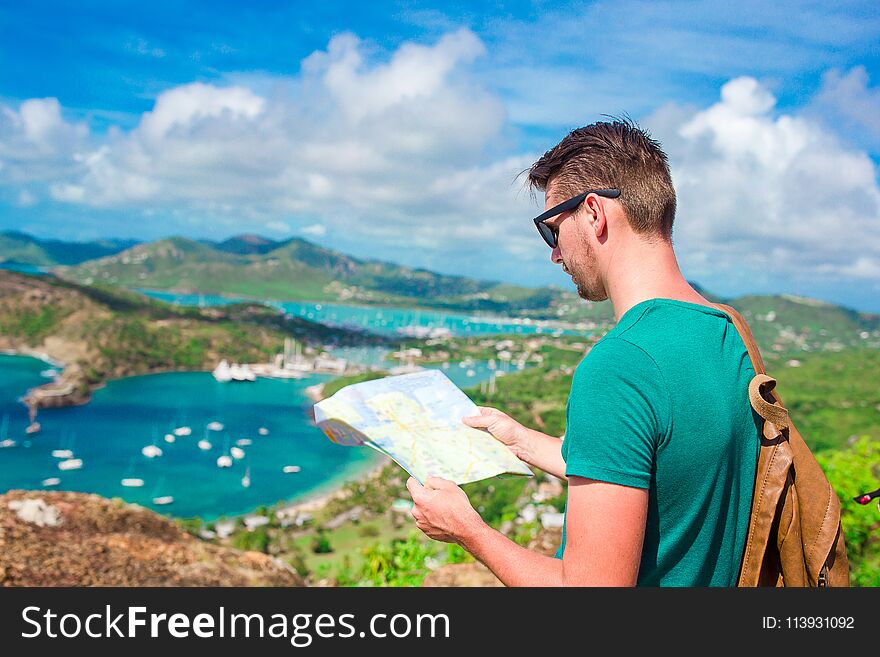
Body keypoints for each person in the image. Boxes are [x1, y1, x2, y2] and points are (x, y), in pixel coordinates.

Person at [407, 119, 761, 586]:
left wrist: (467, 530)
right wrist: (520, 441)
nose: (555, 255)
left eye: (551, 230)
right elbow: (660, 472)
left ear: (593, 212)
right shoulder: (727, 332)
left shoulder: (621, 366)